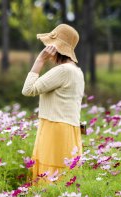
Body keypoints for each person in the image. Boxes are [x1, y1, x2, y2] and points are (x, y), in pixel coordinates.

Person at [22, 24, 85, 185]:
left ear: (56, 48)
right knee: (64, 178)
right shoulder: (77, 71)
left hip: (55, 128)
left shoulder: (63, 71)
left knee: (49, 176)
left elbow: (28, 90)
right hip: (69, 129)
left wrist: (39, 60)